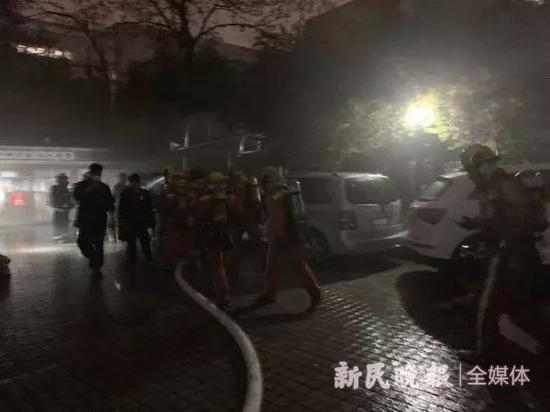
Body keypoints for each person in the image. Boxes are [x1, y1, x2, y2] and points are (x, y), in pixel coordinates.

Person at [456, 145, 547, 359]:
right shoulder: (494, 187)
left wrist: (507, 238)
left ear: (485, 166)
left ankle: (485, 351)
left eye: (472, 170)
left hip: (510, 254)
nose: (470, 175)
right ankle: (537, 347)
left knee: (489, 305)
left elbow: (519, 217)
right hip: (515, 253)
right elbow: (495, 218)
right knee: (518, 305)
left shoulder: (503, 186)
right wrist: (474, 223)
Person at [256, 167, 321, 311]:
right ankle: (270, 293)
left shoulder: (275, 194)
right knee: (273, 266)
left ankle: (315, 294)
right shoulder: (283, 192)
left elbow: (277, 217)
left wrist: (278, 234)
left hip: (285, 235)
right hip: (284, 234)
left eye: (263, 182)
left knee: (299, 266)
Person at [193, 172, 247, 309]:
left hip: (212, 236)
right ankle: (226, 290)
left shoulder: (204, 200)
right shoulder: (232, 199)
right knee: (226, 264)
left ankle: (222, 295)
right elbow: (241, 217)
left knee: (217, 266)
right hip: (229, 236)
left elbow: (197, 220)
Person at [73, 163, 115, 277]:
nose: (97, 175)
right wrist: (90, 188)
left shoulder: (104, 187)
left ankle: (96, 268)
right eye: (95, 173)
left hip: (99, 220)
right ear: (90, 173)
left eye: (99, 173)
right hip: (85, 220)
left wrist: (111, 217)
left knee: (98, 244)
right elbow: (77, 197)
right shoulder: (82, 185)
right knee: (82, 242)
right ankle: (94, 259)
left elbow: (110, 203)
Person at [118, 173, 155, 267]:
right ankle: (132, 260)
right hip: (130, 222)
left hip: (142, 221)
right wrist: (122, 222)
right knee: (132, 242)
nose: (134, 185)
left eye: (135, 183)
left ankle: (147, 257)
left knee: (145, 241)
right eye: (132, 183)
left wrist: (150, 222)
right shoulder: (126, 194)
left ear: (139, 183)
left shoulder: (144, 193)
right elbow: (122, 209)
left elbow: (149, 208)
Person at [50, 173, 74, 242]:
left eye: (66, 179)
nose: (66, 181)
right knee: (59, 223)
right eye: (64, 179)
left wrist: (69, 205)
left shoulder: (66, 189)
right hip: (59, 209)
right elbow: (55, 198)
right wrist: (61, 205)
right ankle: (59, 237)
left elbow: (69, 199)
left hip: (64, 210)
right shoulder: (56, 188)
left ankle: (63, 237)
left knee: (64, 222)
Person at [111, 173, 128, 242]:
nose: (124, 179)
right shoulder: (116, 187)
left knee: (123, 222)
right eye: (122, 178)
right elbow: (113, 197)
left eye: (124, 178)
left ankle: (121, 236)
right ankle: (117, 236)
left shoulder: (126, 187)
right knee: (117, 222)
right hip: (118, 207)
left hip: (124, 207)